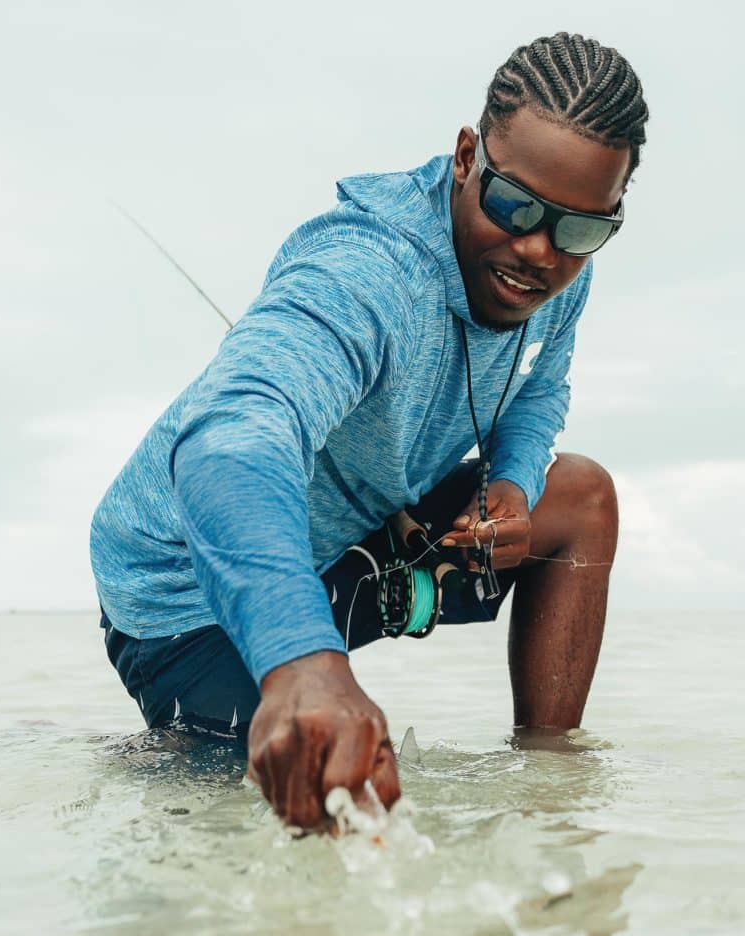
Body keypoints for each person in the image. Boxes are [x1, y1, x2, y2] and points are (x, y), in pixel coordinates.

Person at [91, 32, 649, 830]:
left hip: (358, 536)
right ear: (466, 157)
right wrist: (304, 664)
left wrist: (513, 485)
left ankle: (551, 794)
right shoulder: (363, 269)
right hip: (188, 588)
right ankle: (188, 743)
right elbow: (227, 444)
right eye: (514, 206)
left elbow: (540, 394)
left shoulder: (560, 273)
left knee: (581, 497)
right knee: (316, 795)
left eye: (579, 230)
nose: (537, 251)